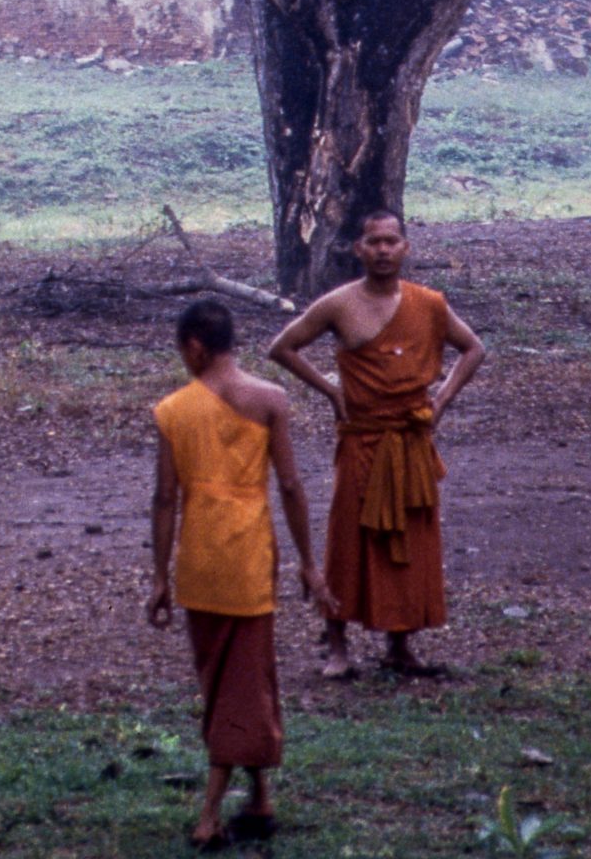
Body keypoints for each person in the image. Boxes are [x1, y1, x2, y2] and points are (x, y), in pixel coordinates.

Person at [150, 296, 335, 851]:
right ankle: (227, 806)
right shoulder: (271, 399)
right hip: (251, 554)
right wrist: (310, 562)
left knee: (225, 679)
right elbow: (292, 487)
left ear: (194, 348)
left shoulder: (173, 410)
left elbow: (164, 500)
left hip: (199, 559)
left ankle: (237, 806)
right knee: (247, 678)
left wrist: (159, 577)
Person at [267, 209, 485, 680]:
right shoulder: (338, 304)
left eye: (392, 241)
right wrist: (330, 390)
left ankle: (400, 644)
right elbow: (281, 347)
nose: (383, 250)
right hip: (363, 439)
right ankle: (338, 648)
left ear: (406, 247)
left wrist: (442, 400)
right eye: (374, 242)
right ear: (358, 249)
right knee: (349, 538)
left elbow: (474, 348)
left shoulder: (428, 304)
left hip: (410, 439)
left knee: (409, 537)